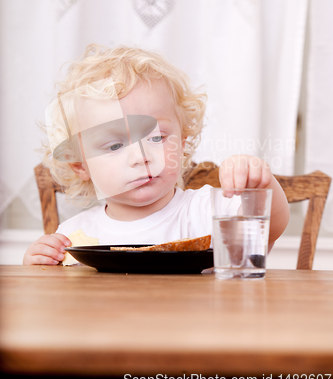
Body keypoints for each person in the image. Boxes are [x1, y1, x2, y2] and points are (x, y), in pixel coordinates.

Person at [23, 45, 289, 265]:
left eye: (157, 138)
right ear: (81, 166)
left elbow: (268, 228)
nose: (141, 157)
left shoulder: (205, 212)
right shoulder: (72, 238)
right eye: (114, 146)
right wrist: (37, 264)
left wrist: (260, 185)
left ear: (183, 142)